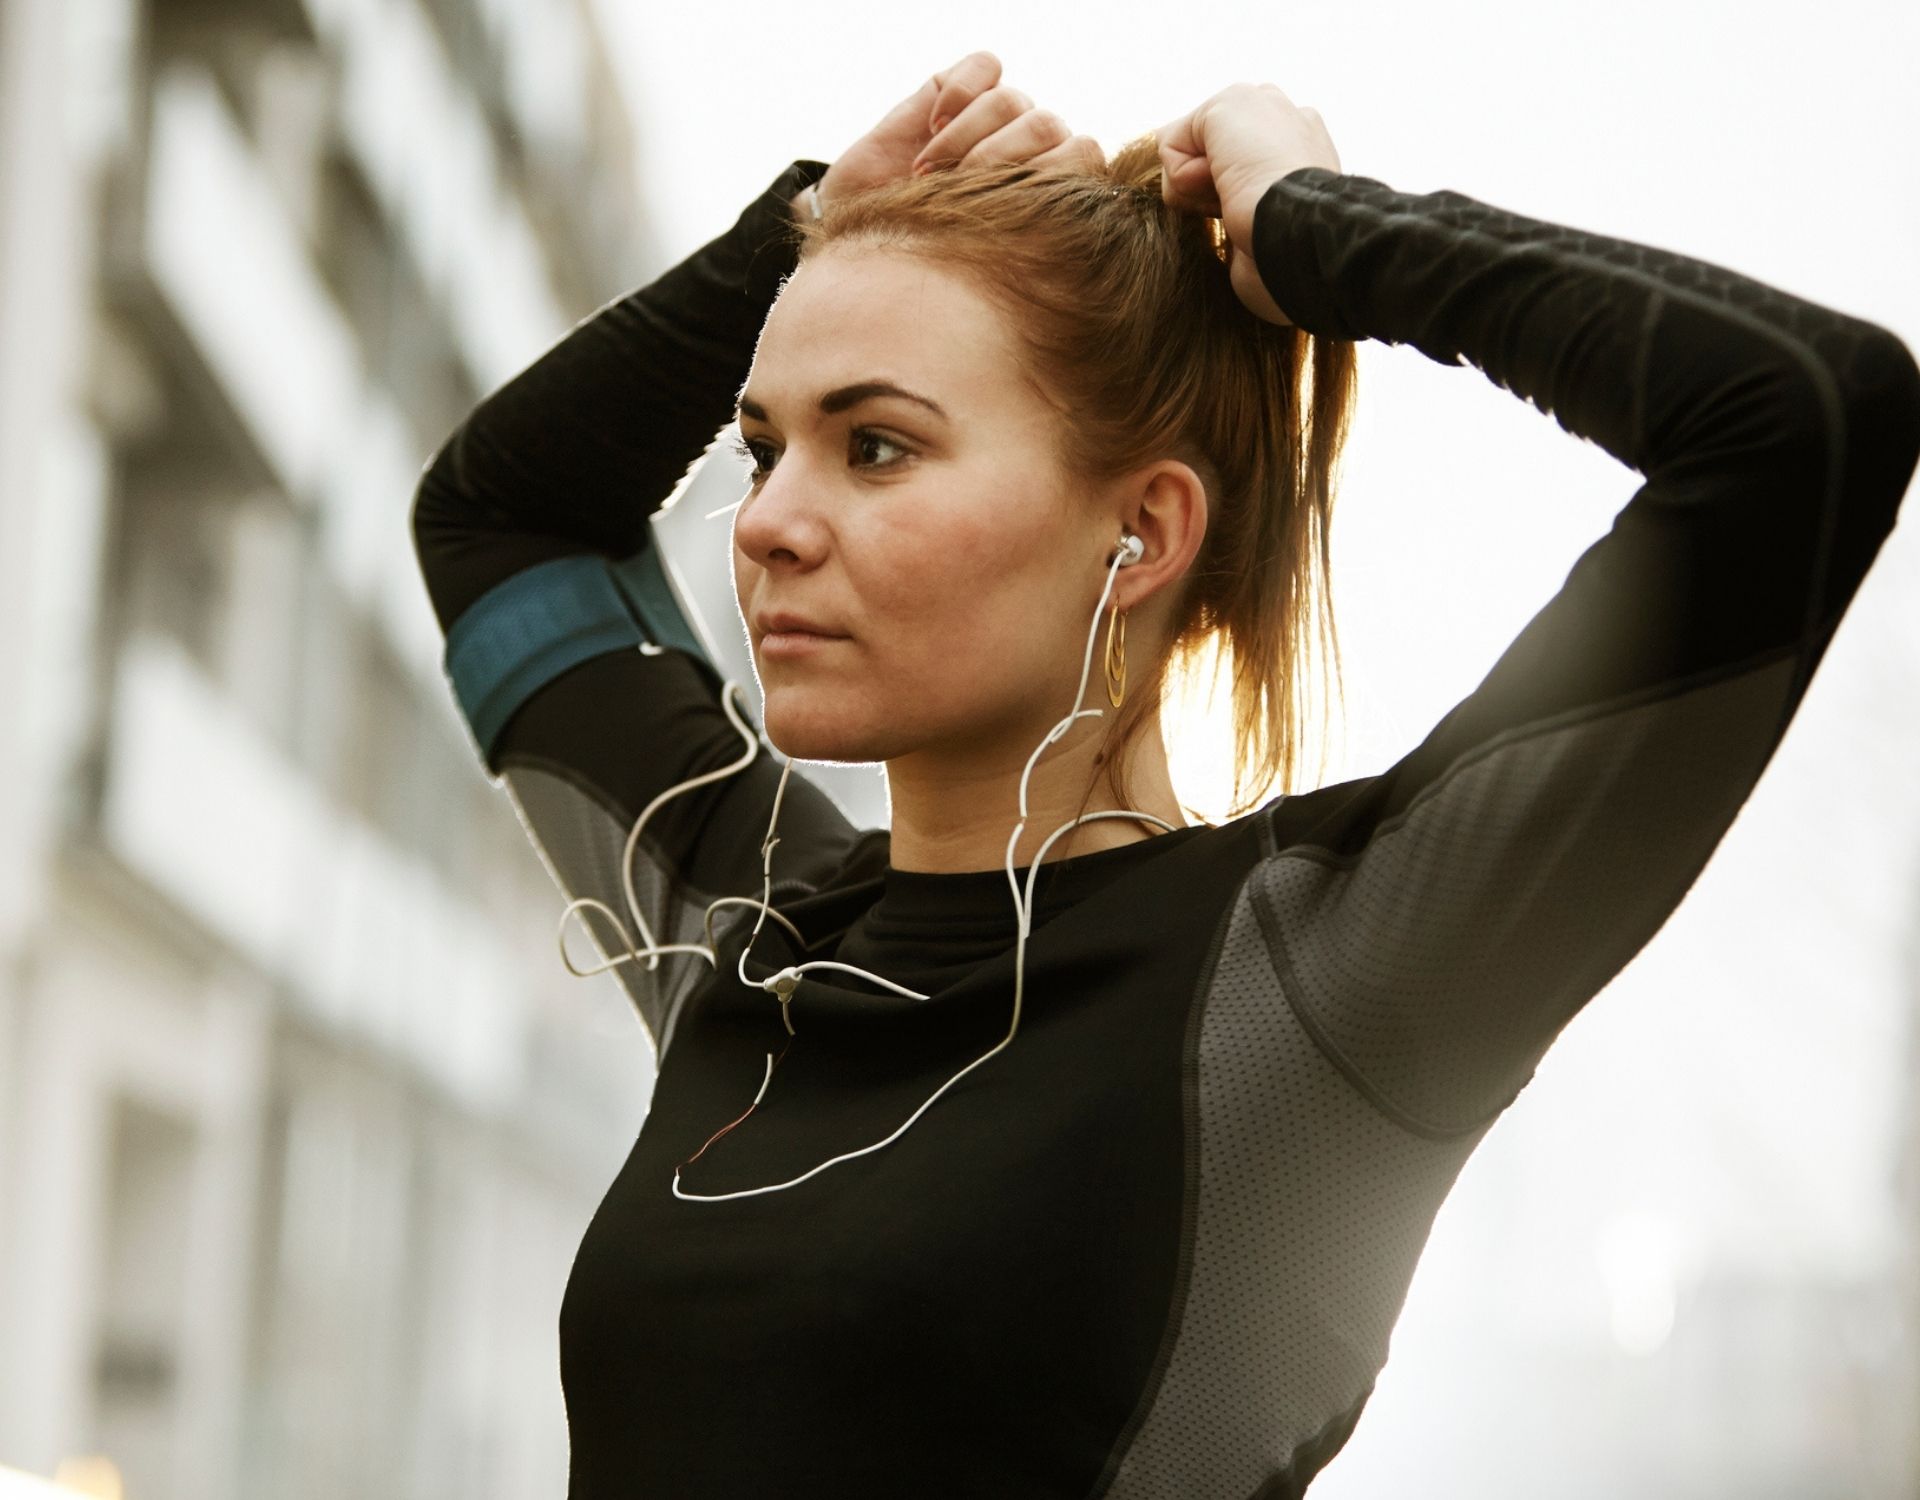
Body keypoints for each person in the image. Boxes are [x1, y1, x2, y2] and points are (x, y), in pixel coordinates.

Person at [410, 48, 1919, 1500]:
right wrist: (799, 233)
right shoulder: (749, 929)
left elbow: (1804, 410)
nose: (765, 525)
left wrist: (1329, 238)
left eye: (874, 447)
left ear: (1144, 531)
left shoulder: (1312, 985)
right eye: (762, 450)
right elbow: (499, 523)